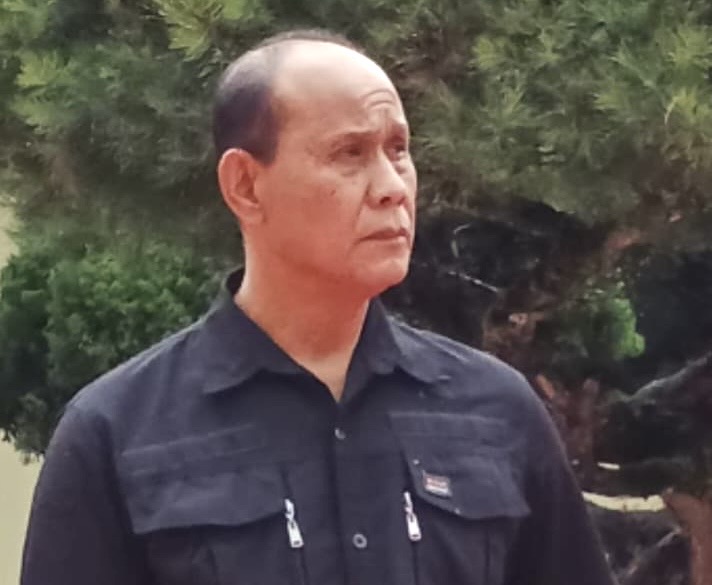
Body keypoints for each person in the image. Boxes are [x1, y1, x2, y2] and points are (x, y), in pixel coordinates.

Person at [21, 29, 616, 585]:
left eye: (398, 149)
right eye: (349, 153)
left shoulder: (498, 410)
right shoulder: (115, 434)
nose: (392, 187)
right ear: (245, 186)